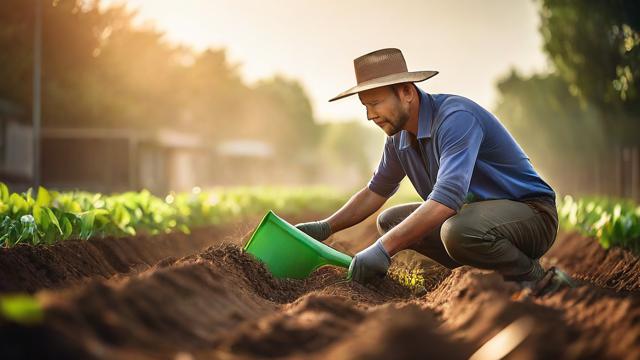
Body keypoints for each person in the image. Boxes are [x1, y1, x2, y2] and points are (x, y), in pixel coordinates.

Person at [296, 48, 574, 296]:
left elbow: (446, 200)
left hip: (531, 215)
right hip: (477, 218)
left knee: (457, 231)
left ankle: (536, 278)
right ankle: (475, 277)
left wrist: (382, 249)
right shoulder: (398, 138)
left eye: (376, 103)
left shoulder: (455, 118)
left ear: (406, 91)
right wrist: (326, 227)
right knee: (391, 221)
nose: (370, 115)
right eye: (365, 107)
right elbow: (374, 192)